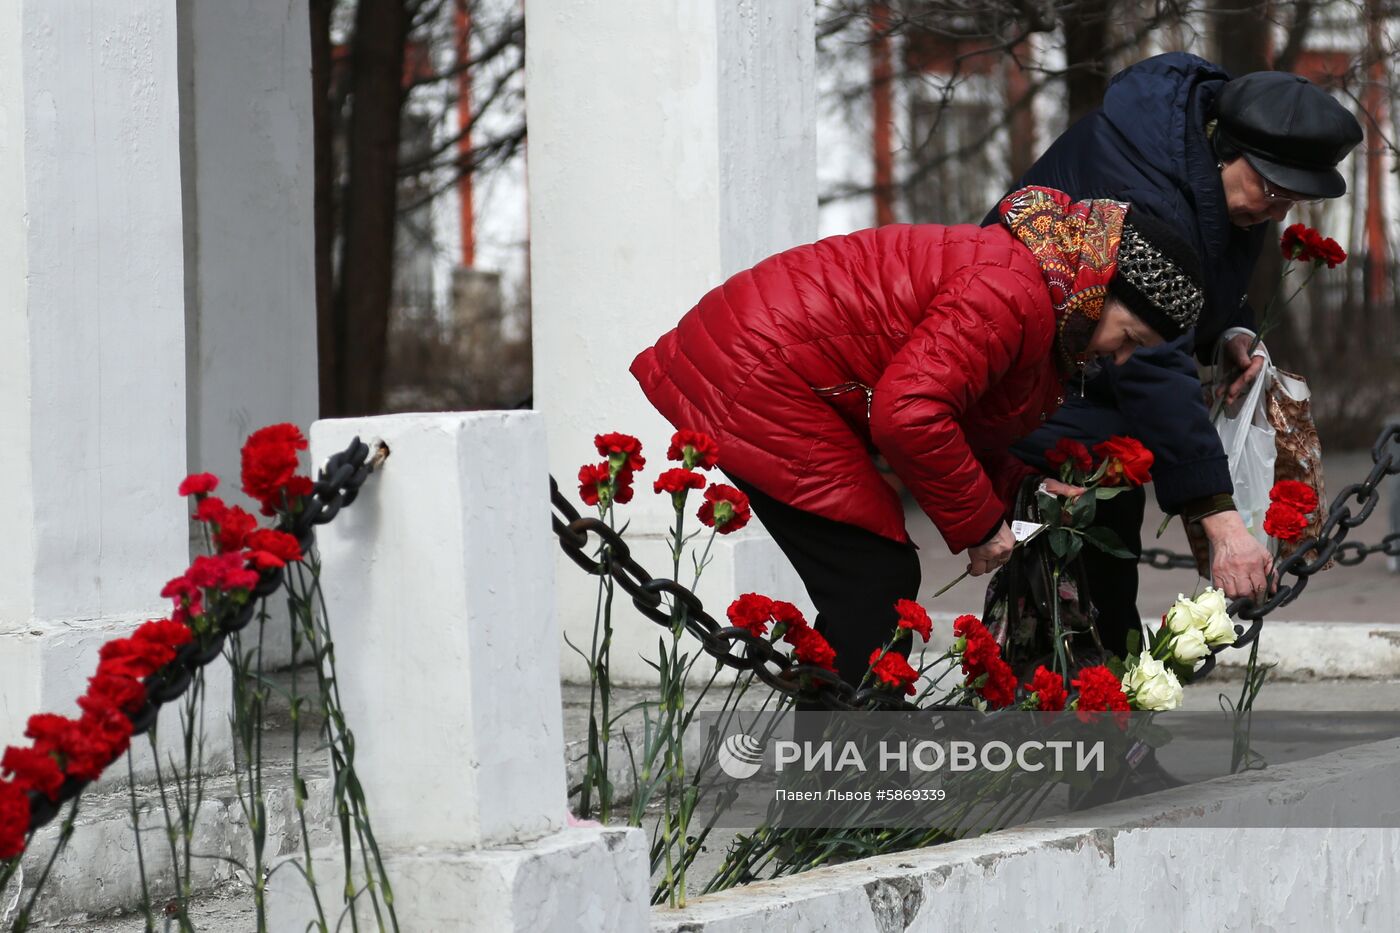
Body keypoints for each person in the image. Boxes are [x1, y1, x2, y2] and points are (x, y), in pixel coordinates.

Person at [631, 187, 1205, 687]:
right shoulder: (1013, 294)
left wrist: (1018, 485)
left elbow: (953, 413)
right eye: (1128, 335)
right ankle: (847, 795)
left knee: (867, 582)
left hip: (768, 362)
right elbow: (910, 414)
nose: (1121, 357)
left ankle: (837, 784)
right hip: (761, 370)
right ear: (1099, 288)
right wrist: (980, 525)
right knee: (872, 577)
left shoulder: (1038, 295)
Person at [989, 55, 1364, 656]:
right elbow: (1149, 359)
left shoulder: (1213, 171)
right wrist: (1219, 516)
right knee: (1060, 593)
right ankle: (1064, 738)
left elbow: (1200, 283)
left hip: (1093, 398)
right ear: (1226, 148)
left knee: (1100, 583)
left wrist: (1230, 330)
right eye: (1272, 192)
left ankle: (1105, 737)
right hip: (1045, 395)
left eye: (1293, 201)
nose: (1277, 214)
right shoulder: (1143, 188)